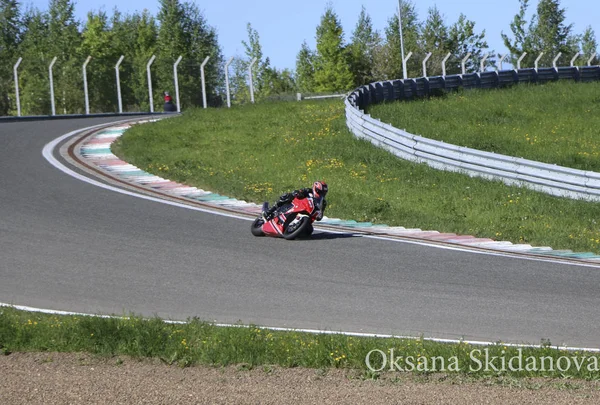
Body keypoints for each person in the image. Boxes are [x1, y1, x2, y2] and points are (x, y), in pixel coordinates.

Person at [264, 180, 328, 220]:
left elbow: (320, 215)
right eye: (320, 192)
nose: (321, 194)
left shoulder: (323, 202)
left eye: (323, 193)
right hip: (296, 206)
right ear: (315, 189)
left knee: (309, 231)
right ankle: (270, 211)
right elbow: (299, 191)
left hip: (307, 215)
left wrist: (319, 215)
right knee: (287, 196)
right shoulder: (308, 191)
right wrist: (297, 193)